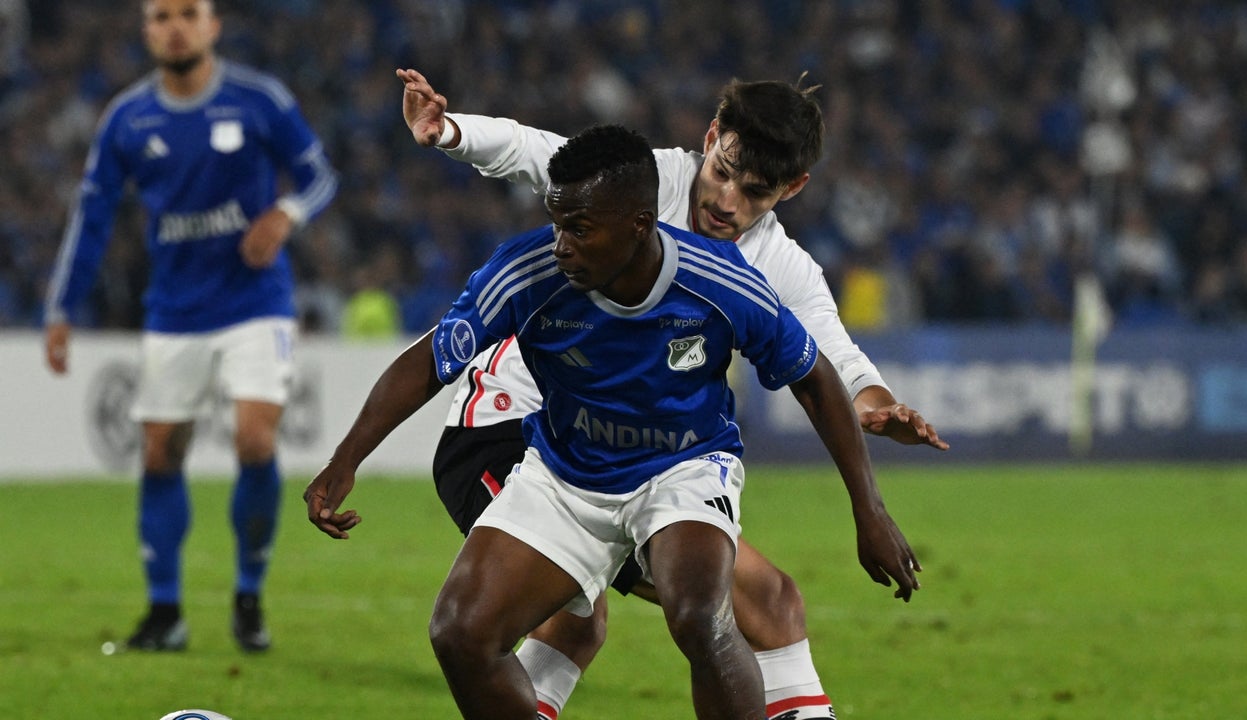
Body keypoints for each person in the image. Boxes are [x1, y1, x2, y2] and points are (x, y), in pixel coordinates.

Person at [305, 123, 920, 720]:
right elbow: (428, 361)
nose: (561, 245)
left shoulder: (720, 281)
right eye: (557, 223)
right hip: (565, 474)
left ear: (639, 225)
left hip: (683, 470)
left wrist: (869, 512)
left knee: (699, 614)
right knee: (460, 632)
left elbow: (816, 380)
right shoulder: (526, 272)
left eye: (579, 229)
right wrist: (345, 459)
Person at [43, 0, 337, 652]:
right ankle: (165, 612)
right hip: (174, 310)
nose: (174, 26)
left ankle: (248, 596)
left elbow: (319, 175)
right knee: (158, 453)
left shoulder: (259, 99)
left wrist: (285, 214)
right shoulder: (126, 118)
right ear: (146, 30)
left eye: (187, 12)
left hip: (256, 301)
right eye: (160, 16)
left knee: (255, 440)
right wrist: (62, 307)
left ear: (212, 25)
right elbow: (91, 216)